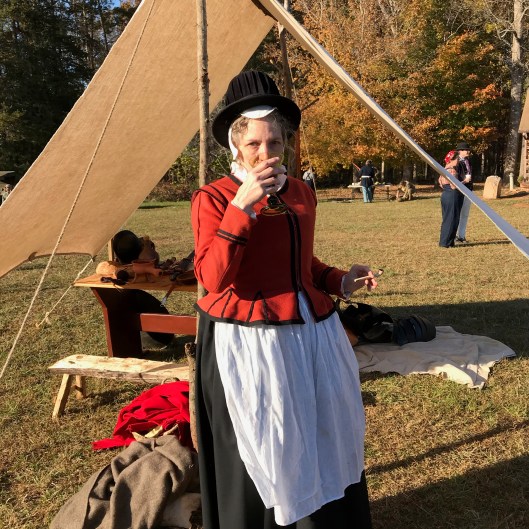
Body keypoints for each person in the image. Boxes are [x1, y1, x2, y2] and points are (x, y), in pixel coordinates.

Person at [191, 70, 377, 529]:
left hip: (313, 336)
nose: (266, 153)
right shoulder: (213, 198)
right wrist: (242, 207)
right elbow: (212, 278)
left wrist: (340, 280)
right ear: (236, 146)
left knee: (324, 434)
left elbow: (302, 264)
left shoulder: (301, 193)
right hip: (248, 341)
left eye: (275, 141)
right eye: (254, 143)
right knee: (268, 444)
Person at [438, 149, 464, 248]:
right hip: (453, 196)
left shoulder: (443, 170)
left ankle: (446, 241)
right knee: (452, 219)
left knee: (447, 219)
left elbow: (440, 184)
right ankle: (446, 243)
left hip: (445, 195)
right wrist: (465, 181)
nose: (458, 161)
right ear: (453, 159)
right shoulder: (452, 170)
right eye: (457, 159)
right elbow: (454, 186)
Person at [454, 142, 473, 243]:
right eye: (466, 150)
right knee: (456, 214)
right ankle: (454, 236)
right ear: (460, 151)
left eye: (468, 149)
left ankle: (461, 236)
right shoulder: (455, 162)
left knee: (465, 214)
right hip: (459, 191)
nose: (468, 151)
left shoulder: (468, 161)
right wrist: (464, 181)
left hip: (469, 190)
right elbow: (453, 179)